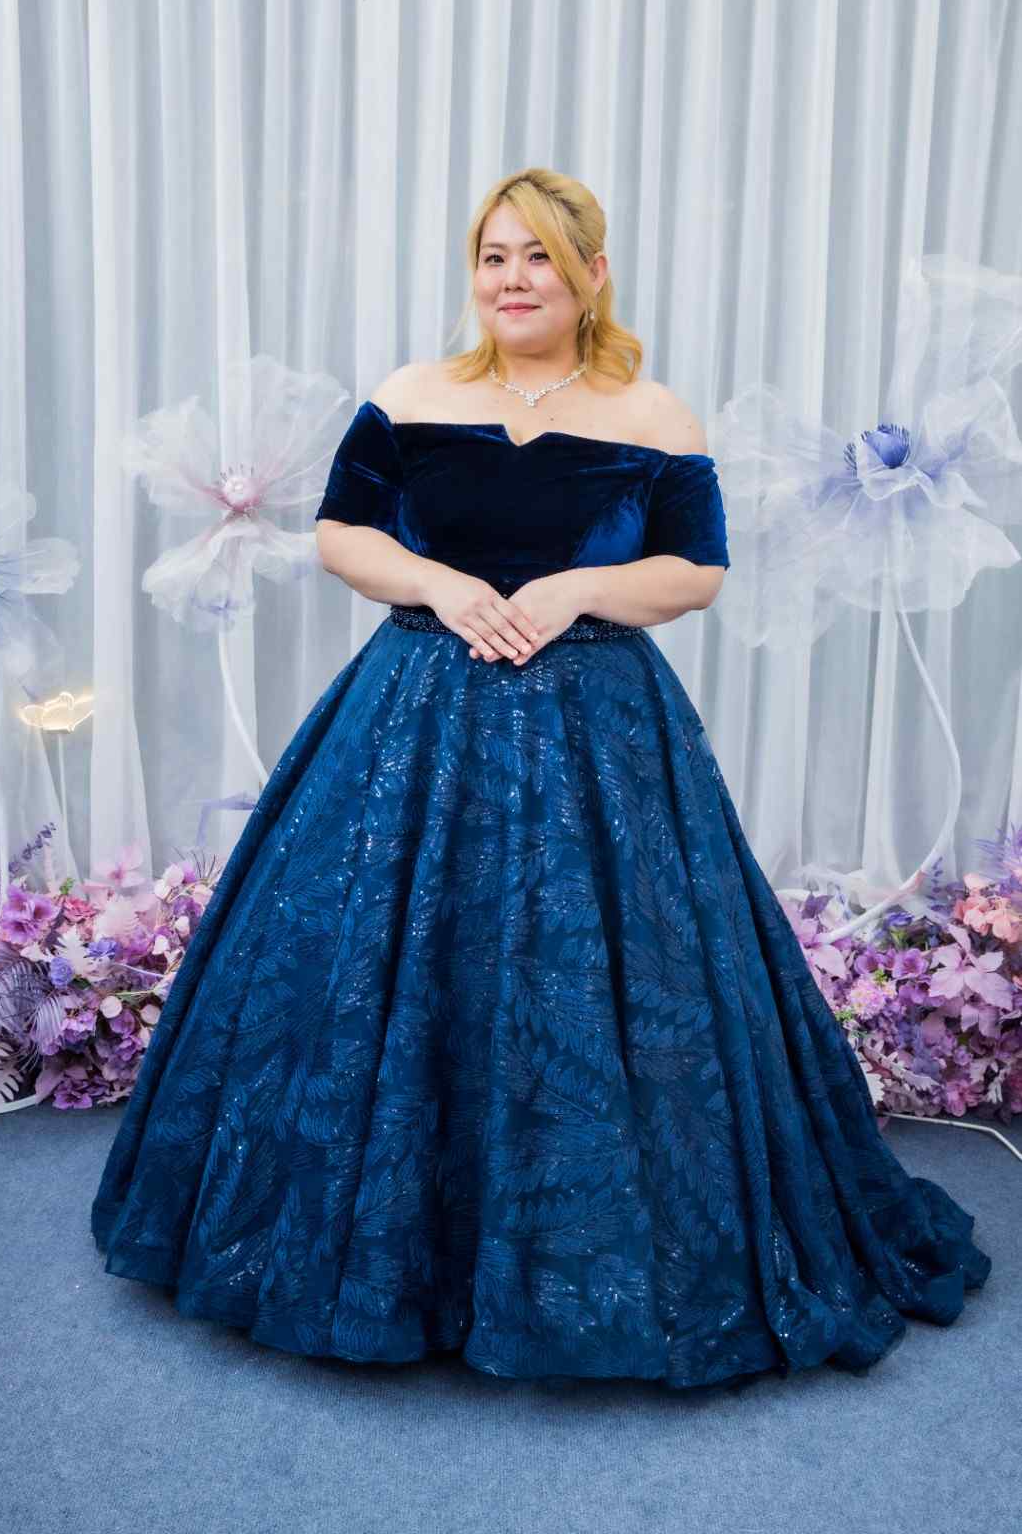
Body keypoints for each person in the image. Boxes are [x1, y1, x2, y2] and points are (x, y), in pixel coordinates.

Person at [91, 168, 990, 1389]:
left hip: (599, 728)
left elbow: (695, 572)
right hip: (413, 714)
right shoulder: (412, 394)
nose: (512, 279)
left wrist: (574, 589)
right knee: (378, 970)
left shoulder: (651, 414)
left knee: (607, 983)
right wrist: (437, 582)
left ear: (589, 275)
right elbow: (341, 534)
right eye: (493, 256)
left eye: (538, 258)